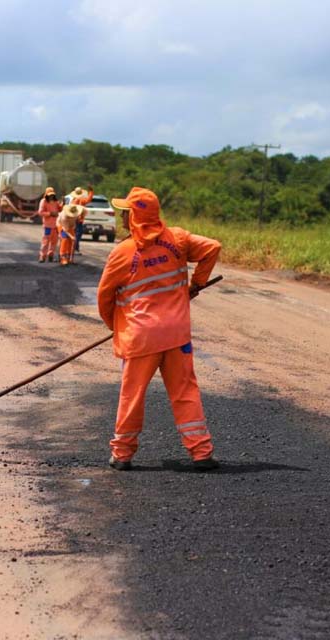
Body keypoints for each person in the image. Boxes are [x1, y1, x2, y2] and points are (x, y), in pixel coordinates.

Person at [96, 187, 221, 471]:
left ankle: (123, 454)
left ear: (133, 218)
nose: (123, 217)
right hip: (176, 334)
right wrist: (196, 284)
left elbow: (104, 298)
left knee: (132, 394)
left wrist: (117, 326)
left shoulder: (122, 253)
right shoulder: (178, 239)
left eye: (126, 213)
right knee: (185, 392)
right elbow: (212, 247)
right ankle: (201, 452)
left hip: (140, 337)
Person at [36, 187, 61, 262]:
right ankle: (42, 256)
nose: (51, 196)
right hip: (48, 226)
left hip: (56, 225)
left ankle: (51, 255)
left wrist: (63, 204)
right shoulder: (43, 201)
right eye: (50, 195)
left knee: (54, 241)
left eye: (52, 195)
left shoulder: (56, 202)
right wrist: (50, 213)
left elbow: (60, 209)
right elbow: (40, 212)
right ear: (46, 194)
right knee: (45, 242)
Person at [68, 185, 94, 254]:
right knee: (77, 235)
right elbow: (89, 199)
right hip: (78, 220)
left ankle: (72, 249)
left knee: (74, 234)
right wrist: (91, 191)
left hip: (73, 220)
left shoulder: (73, 200)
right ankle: (75, 249)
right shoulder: (81, 200)